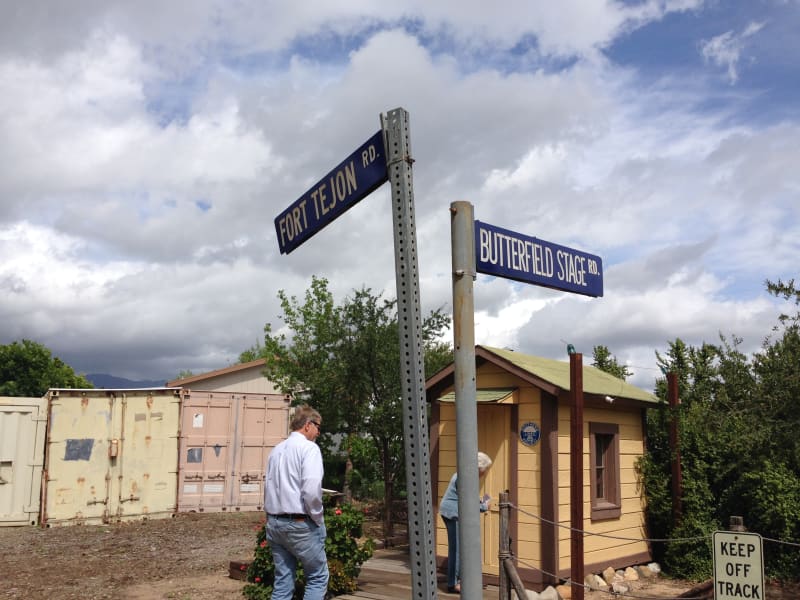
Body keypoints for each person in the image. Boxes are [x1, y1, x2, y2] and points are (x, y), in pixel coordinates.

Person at [264, 405, 328, 599]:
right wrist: (317, 517)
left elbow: (269, 485)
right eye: (318, 427)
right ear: (308, 425)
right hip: (300, 522)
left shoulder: (276, 450)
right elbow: (311, 488)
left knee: (283, 581)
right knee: (317, 576)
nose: (318, 433)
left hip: (275, 522)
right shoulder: (309, 449)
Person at [438, 451, 493, 594]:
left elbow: (466, 498)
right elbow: (467, 503)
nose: (485, 473)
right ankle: (453, 584)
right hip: (453, 514)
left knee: (461, 548)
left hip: (453, 512)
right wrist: (484, 506)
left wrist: (479, 501)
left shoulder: (465, 476)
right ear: (478, 467)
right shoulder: (465, 478)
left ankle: (462, 580)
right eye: (484, 470)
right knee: (457, 549)